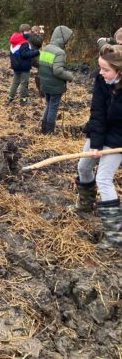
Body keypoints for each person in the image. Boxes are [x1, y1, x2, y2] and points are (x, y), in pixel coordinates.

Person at [73, 44, 122, 251]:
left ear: (119, 71)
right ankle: (86, 204)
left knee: (103, 178)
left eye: (106, 69)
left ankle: (114, 235)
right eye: (100, 68)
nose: (101, 73)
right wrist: (95, 145)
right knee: (84, 167)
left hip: (119, 138)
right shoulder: (101, 81)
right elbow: (98, 111)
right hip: (100, 130)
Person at [38, 25, 73, 134]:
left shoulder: (46, 48)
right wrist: (69, 76)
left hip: (45, 83)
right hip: (55, 86)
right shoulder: (59, 52)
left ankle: (44, 129)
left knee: (49, 105)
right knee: (53, 107)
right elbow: (57, 71)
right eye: (68, 38)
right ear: (63, 38)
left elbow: (41, 65)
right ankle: (49, 131)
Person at [7, 24, 40, 105]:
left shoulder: (14, 41)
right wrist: (37, 52)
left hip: (16, 66)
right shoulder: (24, 43)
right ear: (23, 32)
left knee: (15, 82)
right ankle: (23, 100)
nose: (29, 33)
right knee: (24, 83)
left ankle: (10, 98)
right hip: (24, 66)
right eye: (28, 31)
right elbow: (25, 54)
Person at [29, 25, 45, 94]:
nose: (38, 34)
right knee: (42, 67)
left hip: (30, 56)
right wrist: (42, 34)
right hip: (33, 56)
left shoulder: (29, 35)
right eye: (37, 32)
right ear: (35, 31)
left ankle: (40, 88)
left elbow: (38, 45)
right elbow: (39, 42)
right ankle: (41, 90)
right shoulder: (32, 35)